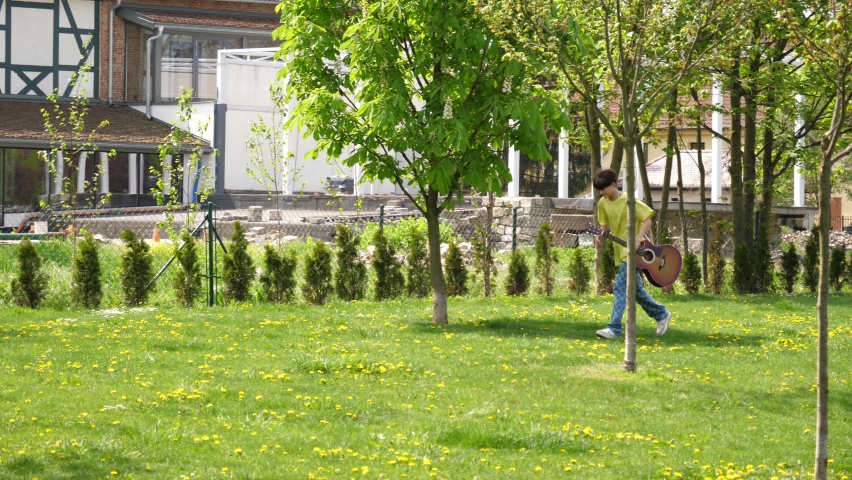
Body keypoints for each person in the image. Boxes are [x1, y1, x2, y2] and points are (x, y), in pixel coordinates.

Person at [593, 169, 671, 339]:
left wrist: (638, 238)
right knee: (635, 291)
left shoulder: (629, 201)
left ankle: (614, 328)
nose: (601, 193)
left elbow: (648, 219)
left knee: (620, 288)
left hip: (636, 252)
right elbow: (605, 225)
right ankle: (661, 314)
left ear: (613, 185)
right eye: (599, 190)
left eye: (603, 189)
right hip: (620, 250)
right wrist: (600, 236)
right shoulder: (603, 203)